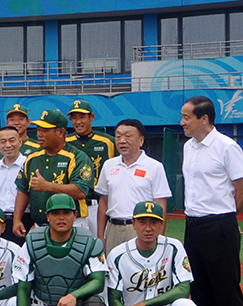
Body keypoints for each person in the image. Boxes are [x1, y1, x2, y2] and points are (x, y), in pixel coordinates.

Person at [180, 96, 243, 306]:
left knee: (226, 292)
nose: (182, 122)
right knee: (199, 290)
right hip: (193, 226)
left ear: (204, 119)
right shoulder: (188, 146)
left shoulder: (227, 147)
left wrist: (227, 219)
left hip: (219, 226)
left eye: (187, 117)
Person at [14, 194, 108, 306]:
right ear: (47, 216)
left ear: (75, 215)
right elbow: (23, 288)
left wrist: (74, 296)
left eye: (66, 212)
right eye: (56, 213)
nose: (61, 217)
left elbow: (98, 282)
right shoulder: (31, 243)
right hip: (43, 305)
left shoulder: (90, 242)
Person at [94, 119, 172, 256]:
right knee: (113, 266)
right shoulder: (108, 165)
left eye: (128, 136)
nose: (122, 141)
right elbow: (103, 202)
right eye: (118, 136)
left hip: (140, 228)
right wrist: (101, 235)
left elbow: (161, 204)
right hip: (113, 228)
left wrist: (159, 236)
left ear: (141, 140)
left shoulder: (154, 167)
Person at [13, 109, 94, 238]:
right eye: (38, 130)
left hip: (73, 225)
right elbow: (23, 189)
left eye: (45, 130)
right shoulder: (32, 158)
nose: (40, 134)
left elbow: (80, 191)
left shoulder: (77, 157)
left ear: (60, 132)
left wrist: (48, 186)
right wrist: (17, 219)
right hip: (40, 225)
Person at [66, 100, 116, 235]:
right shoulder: (65, 142)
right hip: (74, 205)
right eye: (74, 117)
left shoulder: (108, 142)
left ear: (91, 117)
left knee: (102, 242)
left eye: (82, 117)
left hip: (99, 204)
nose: (78, 121)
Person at [0, 126, 32, 245]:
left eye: (12, 140)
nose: (8, 145)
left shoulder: (29, 165)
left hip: (25, 219)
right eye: (3, 141)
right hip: (0, 220)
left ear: (20, 142)